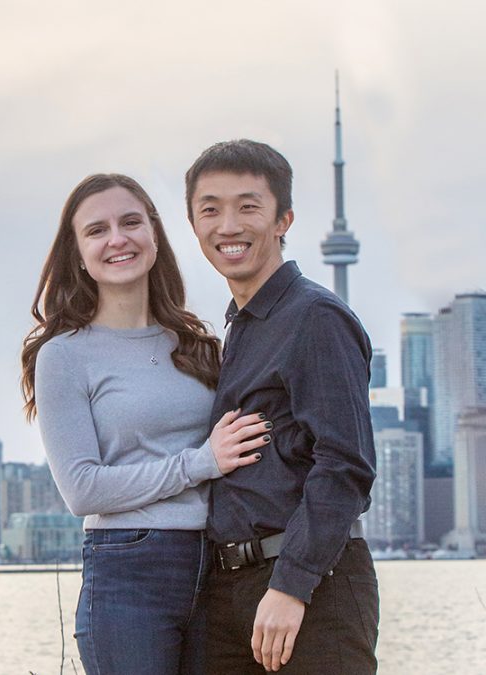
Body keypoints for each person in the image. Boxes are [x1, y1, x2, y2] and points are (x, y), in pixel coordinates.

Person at [20, 173, 271, 674]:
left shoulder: (200, 346)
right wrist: (199, 463)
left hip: (221, 566)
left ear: (155, 234)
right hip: (129, 573)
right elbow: (83, 490)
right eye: (97, 230)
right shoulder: (64, 356)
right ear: (77, 251)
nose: (118, 238)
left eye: (131, 222)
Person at [184, 139, 379, 674]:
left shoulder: (315, 317)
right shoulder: (239, 329)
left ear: (282, 220)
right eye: (210, 209)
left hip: (310, 588)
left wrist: (291, 585)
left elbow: (345, 463)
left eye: (248, 206)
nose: (228, 225)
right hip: (229, 592)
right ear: (194, 225)